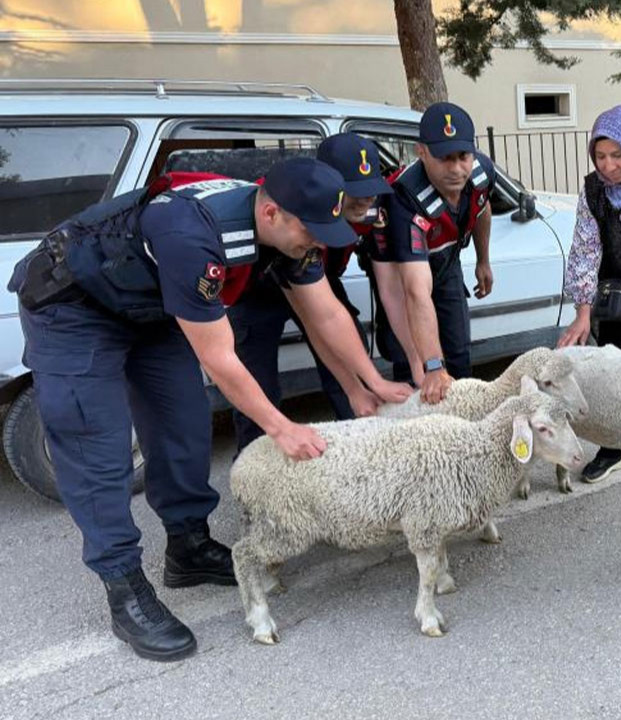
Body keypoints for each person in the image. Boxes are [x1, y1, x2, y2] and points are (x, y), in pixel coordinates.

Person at [6, 158, 410, 662]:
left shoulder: (293, 227)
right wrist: (280, 427)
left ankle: (188, 547)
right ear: (270, 214)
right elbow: (219, 356)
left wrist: (370, 383)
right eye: (314, 231)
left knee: (184, 424)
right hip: (75, 306)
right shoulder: (193, 233)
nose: (321, 243)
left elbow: (324, 309)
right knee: (98, 448)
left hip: (153, 305)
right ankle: (125, 587)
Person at [224, 133, 396, 452]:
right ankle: (255, 475)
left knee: (350, 356)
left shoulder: (365, 208)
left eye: (371, 190)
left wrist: (367, 385)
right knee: (258, 385)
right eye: (355, 192)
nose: (366, 201)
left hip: (313, 278)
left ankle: (361, 453)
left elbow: (325, 316)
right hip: (253, 290)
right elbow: (317, 318)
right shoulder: (288, 208)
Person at [365, 101, 494, 402]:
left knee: (459, 354)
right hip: (402, 275)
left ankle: (462, 431)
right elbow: (414, 291)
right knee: (415, 369)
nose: (456, 169)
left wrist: (483, 260)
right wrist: (432, 364)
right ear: (421, 152)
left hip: (446, 263)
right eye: (444, 158)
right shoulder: (404, 199)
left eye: (463, 156)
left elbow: (482, 207)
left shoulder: (481, 172)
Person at [556, 105, 621, 483]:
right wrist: (584, 311)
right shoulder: (593, 190)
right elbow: (585, 249)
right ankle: (614, 450)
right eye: (600, 155)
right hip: (616, 293)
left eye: (617, 155)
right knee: (615, 372)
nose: (608, 165)